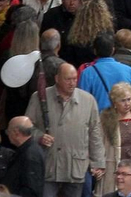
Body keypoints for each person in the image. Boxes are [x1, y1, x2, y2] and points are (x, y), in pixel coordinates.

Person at [26, 62, 105, 197]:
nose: (72, 83)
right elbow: (26, 128)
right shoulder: (40, 97)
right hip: (49, 165)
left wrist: (98, 162)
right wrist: (39, 136)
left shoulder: (88, 100)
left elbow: (95, 133)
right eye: (68, 79)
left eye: (75, 79)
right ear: (57, 78)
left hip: (75, 167)